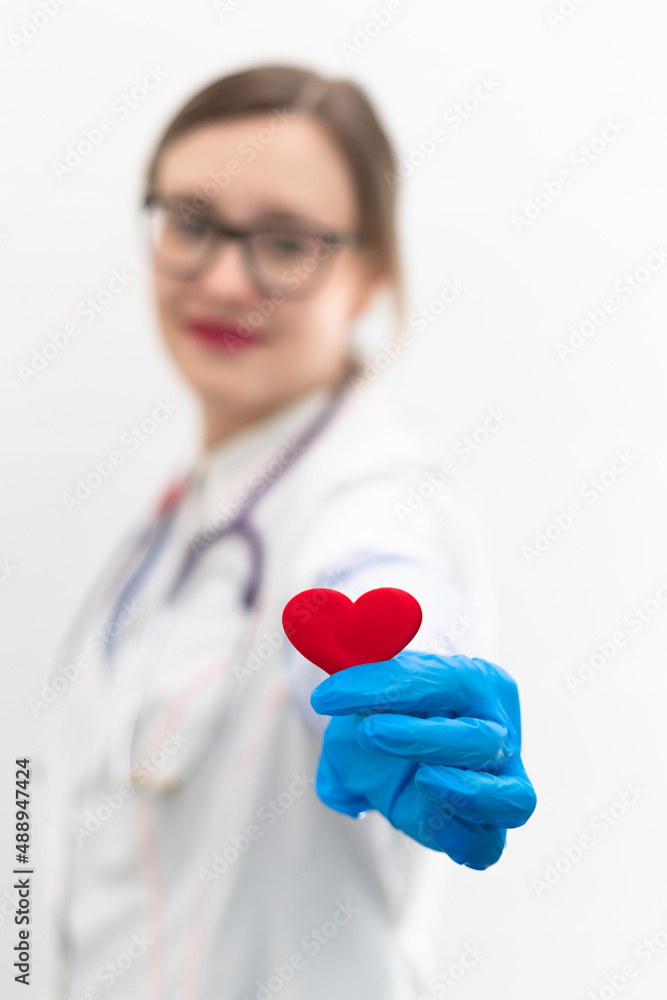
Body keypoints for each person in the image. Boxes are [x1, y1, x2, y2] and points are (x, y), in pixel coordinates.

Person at [37, 64, 536, 1000]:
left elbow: (378, 575)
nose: (225, 279)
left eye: (285, 242)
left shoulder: (380, 488)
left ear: (370, 273)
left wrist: (407, 682)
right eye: (189, 222)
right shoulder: (179, 521)